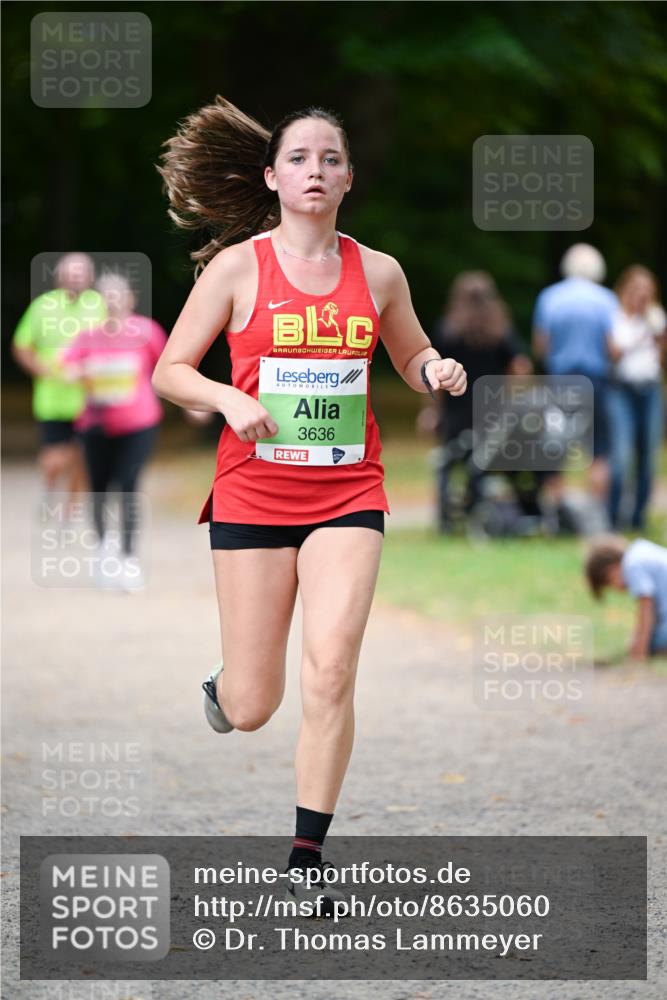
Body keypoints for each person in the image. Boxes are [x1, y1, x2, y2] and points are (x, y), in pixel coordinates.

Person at [152, 97, 466, 912]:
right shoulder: (236, 269)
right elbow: (170, 370)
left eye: (330, 158)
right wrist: (224, 398)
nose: (315, 171)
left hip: (347, 489)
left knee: (330, 669)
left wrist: (434, 369)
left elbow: (410, 350)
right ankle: (226, 686)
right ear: (272, 176)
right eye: (298, 158)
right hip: (254, 491)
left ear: (349, 177)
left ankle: (305, 855)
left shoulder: (381, 271)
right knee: (256, 705)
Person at [59, 273, 168, 590]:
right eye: (106, 294)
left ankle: (129, 558)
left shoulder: (147, 332)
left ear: (130, 299)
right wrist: (78, 372)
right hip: (94, 425)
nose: (112, 300)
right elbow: (65, 367)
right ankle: (104, 550)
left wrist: (191, 406)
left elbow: (168, 369)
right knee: (99, 490)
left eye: (118, 294)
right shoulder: (87, 336)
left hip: (138, 423)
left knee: (129, 485)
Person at [422, 271, 532, 530]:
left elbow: (433, 373)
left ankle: (446, 521)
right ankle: (479, 510)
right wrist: (510, 395)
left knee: (448, 464)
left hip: (456, 411)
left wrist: (431, 410)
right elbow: (521, 365)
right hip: (491, 412)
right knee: (482, 463)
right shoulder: (500, 331)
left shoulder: (448, 330)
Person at [10, 253, 106, 517]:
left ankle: (71, 509)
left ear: (90, 277)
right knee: (57, 455)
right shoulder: (43, 306)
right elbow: (21, 346)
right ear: (60, 277)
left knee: (82, 456)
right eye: (71, 272)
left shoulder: (99, 305)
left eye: (81, 272)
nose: (76, 277)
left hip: (89, 397)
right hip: (52, 397)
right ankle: (50, 487)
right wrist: (42, 370)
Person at [532, 243, 618, 509]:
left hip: (560, 381)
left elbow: (540, 345)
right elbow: (612, 346)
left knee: (555, 448)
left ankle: (556, 515)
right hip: (595, 382)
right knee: (599, 450)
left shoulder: (550, 297)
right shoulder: (606, 299)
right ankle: (597, 515)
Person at [607, 265, 666, 530]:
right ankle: (613, 517)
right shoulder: (614, 317)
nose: (643, 295)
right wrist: (639, 332)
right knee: (621, 456)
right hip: (621, 389)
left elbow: (661, 361)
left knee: (648, 458)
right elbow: (614, 354)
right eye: (638, 289)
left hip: (650, 389)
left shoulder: (656, 317)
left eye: (648, 290)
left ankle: (638, 519)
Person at [585, 536, 667, 658]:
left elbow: (647, 612)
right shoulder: (640, 549)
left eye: (610, 583)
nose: (616, 590)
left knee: (651, 642)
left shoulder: (632, 566)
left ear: (611, 570)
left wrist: (639, 652)